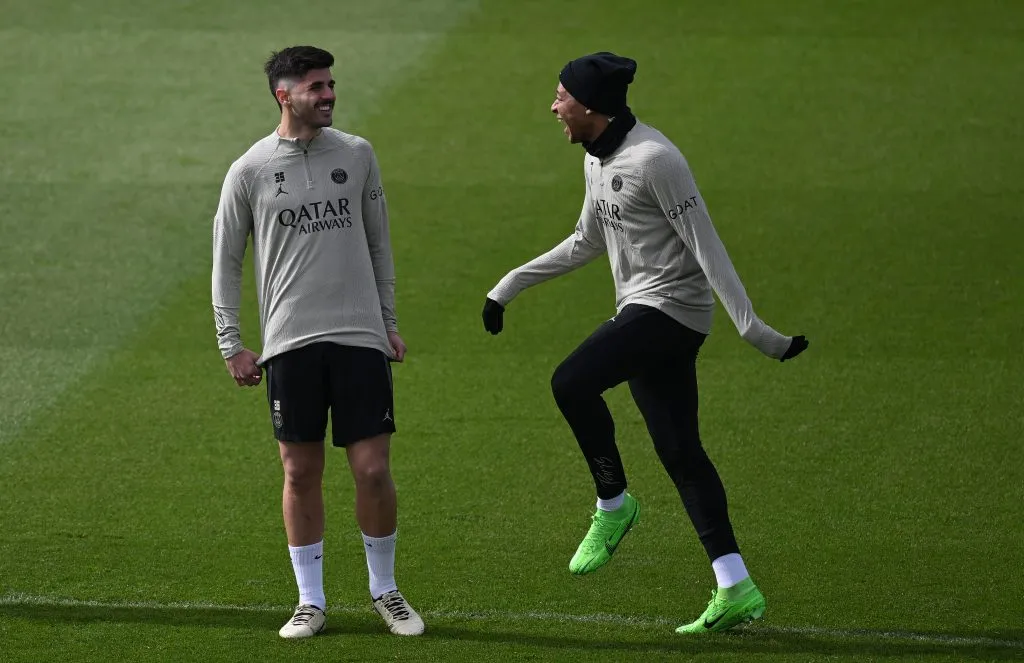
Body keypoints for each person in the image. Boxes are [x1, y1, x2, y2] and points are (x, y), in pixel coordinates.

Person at [481, 52, 809, 635]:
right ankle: (735, 585)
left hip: (670, 313)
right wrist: (508, 286)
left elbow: (707, 245)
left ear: (590, 106)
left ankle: (613, 504)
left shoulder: (656, 160)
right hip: (643, 313)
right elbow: (587, 239)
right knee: (681, 453)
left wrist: (754, 330)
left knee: (571, 382)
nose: (553, 107)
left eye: (561, 97)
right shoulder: (596, 159)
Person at [211, 45, 424, 639]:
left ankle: (385, 590)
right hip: (290, 344)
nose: (329, 95)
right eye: (316, 87)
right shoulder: (249, 170)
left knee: (373, 469)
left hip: (359, 336)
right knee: (299, 473)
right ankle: (310, 601)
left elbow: (379, 243)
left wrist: (387, 322)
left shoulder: (356, 154)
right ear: (285, 95)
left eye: (331, 84)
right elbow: (226, 261)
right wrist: (231, 342)